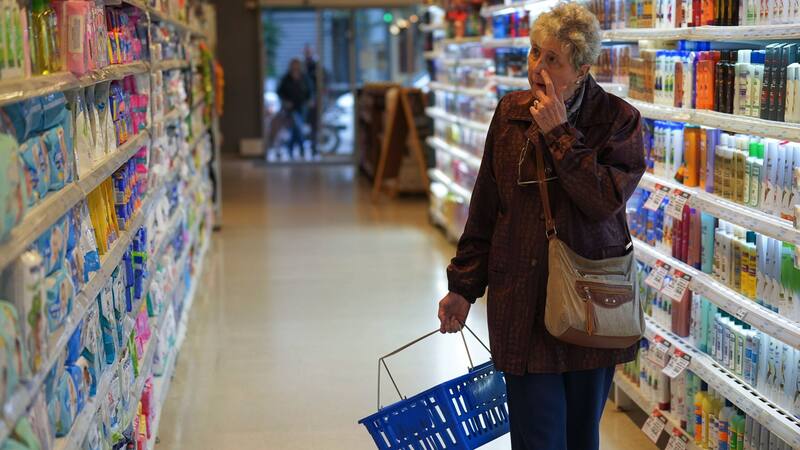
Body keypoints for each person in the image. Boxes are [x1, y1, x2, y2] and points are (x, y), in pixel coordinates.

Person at [436, 3, 645, 450]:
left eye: (553, 59)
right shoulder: (510, 113)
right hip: (523, 302)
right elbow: (488, 206)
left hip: (588, 301)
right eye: (534, 53)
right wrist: (463, 286)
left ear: (583, 68)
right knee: (535, 438)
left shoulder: (617, 121)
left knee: (579, 437)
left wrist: (560, 135)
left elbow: (604, 201)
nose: (537, 67)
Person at [277, 58, 311, 159]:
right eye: (293, 65)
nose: (295, 67)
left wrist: (309, 100)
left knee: (296, 129)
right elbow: (280, 92)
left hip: (302, 107)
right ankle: (300, 149)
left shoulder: (304, 78)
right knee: (297, 127)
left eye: (297, 65)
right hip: (290, 109)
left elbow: (310, 91)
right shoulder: (286, 78)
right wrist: (285, 101)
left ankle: (291, 149)